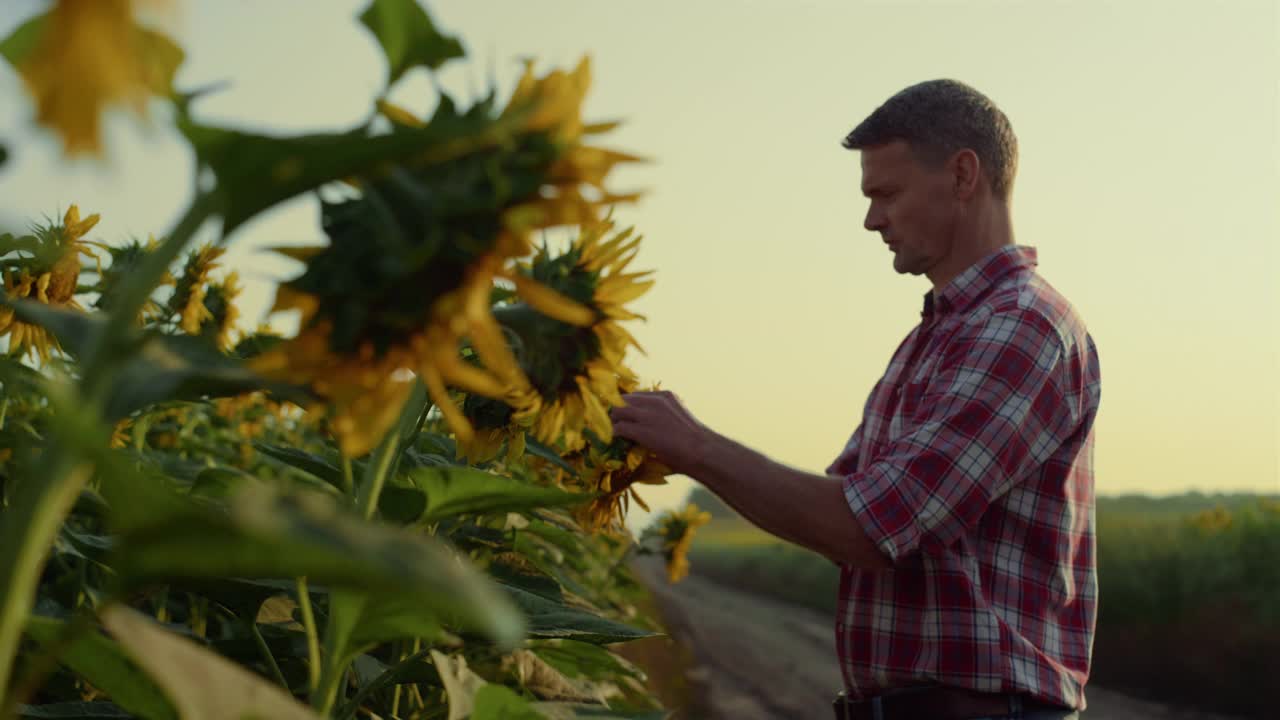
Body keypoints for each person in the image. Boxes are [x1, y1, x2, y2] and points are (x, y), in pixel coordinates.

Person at [608, 79, 1101, 720]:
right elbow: (833, 515)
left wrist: (697, 447)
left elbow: (870, 526)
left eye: (886, 194)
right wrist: (665, 447)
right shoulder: (934, 339)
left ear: (962, 175)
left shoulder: (1022, 328)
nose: (872, 219)